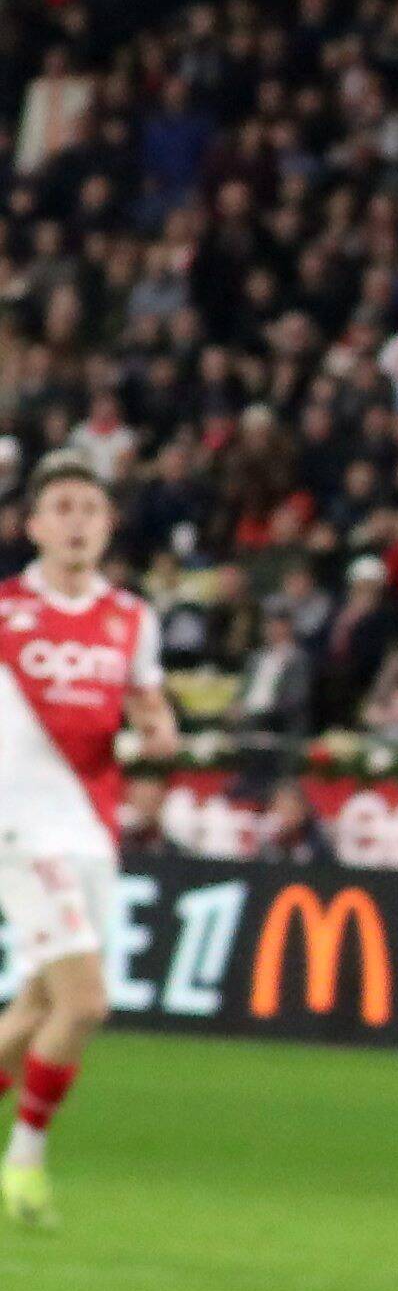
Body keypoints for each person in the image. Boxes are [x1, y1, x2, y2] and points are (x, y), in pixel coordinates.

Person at [0, 459, 176, 1228]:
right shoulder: (5, 611)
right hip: (16, 830)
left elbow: (148, 704)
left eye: (91, 509)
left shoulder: (132, 618)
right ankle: (26, 1164)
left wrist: (159, 730)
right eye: (62, 508)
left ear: (107, 527)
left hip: (91, 831)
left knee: (37, 1006)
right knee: (86, 1000)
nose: (76, 521)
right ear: (33, 526)